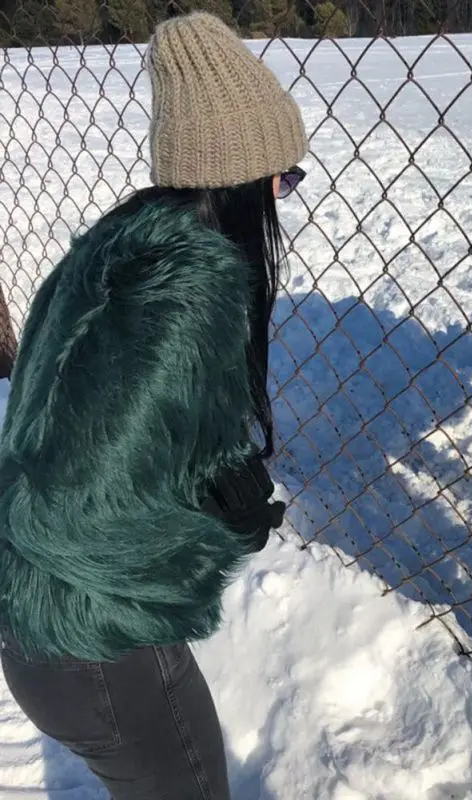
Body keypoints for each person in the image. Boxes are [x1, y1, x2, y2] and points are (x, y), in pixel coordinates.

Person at [0, 12, 308, 800]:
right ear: (239, 177)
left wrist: (210, 471)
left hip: (47, 628)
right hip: (95, 642)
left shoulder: (123, 243)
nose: (285, 194)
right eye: (283, 177)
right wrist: (214, 528)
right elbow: (76, 512)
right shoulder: (191, 287)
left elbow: (95, 432)